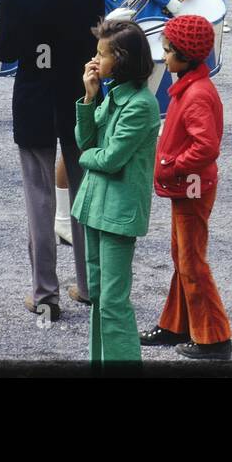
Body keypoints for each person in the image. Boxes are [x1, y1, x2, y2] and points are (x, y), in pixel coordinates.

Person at [0, 0, 106, 321]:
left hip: (34, 100)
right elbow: (98, 40)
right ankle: (91, 286)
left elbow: (4, 52)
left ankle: (45, 295)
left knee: (39, 201)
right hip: (78, 96)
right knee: (85, 194)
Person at [141, 15, 232, 360]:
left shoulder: (195, 95)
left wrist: (172, 166)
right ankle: (176, 324)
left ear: (185, 55)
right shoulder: (193, 86)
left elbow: (206, 147)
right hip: (189, 186)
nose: (163, 57)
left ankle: (214, 337)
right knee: (182, 256)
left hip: (191, 186)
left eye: (167, 51)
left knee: (192, 261)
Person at [71, 19, 161, 364]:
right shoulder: (114, 95)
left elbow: (107, 158)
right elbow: (88, 139)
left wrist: (85, 157)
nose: (95, 60)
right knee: (98, 296)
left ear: (120, 60)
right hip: (96, 207)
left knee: (113, 301)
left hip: (118, 213)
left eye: (101, 54)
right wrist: (90, 97)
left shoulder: (139, 105)